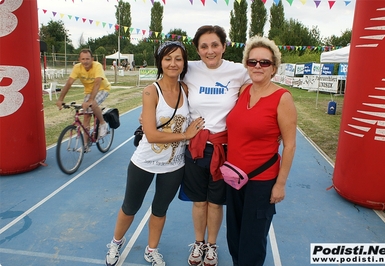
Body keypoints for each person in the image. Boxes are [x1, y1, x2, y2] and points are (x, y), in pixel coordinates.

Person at [105, 41, 205, 266]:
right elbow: (151, 135)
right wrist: (186, 136)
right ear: (160, 62)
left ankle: (151, 249)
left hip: (174, 165)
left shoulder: (186, 90)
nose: (173, 63)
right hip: (145, 161)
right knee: (130, 207)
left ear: (184, 63)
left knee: (160, 209)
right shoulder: (151, 91)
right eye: (168, 58)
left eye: (178, 58)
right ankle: (115, 243)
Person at [178, 25, 251, 266]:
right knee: (199, 201)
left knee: (216, 202)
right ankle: (198, 244)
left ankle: (212, 244)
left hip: (224, 149)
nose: (210, 51)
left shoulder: (239, 71)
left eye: (215, 45)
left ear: (224, 46)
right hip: (196, 147)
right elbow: (164, 85)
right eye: (204, 46)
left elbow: (261, 89)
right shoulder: (188, 70)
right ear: (197, 49)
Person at [225, 36, 297, 266]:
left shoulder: (282, 98)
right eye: (253, 61)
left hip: (261, 182)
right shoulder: (244, 91)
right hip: (235, 179)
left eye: (264, 62)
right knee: (234, 236)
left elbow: (290, 144)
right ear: (246, 64)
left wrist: (280, 184)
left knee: (253, 242)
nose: (258, 66)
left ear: (274, 68)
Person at [56, 49, 110, 149]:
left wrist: (90, 101)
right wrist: (60, 99)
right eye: (83, 59)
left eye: (88, 59)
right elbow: (69, 83)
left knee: (92, 103)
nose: (85, 61)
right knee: (86, 115)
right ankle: (86, 144)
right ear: (79, 59)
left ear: (92, 59)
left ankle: (103, 123)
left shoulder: (97, 66)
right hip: (88, 92)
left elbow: (97, 83)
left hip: (102, 89)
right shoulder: (77, 67)